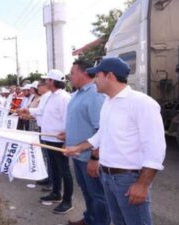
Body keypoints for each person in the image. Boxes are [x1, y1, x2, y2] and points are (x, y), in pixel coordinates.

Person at [63, 57, 166, 225]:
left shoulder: (142, 103)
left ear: (109, 76)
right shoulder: (108, 102)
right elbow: (101, 135)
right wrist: (79, 148)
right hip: (107, 177)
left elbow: (155, 149)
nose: (94, 80)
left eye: (97, 76)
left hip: (129, 179)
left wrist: (142, 184)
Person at [58, 60, 110, 225]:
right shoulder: (78, 94)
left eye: (72, 73)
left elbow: (100, 129)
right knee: (87, 192)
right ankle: (90, 219)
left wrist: (95, 158)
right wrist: (68, 134)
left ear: (85, 73)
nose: (69, 77)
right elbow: (82, 121)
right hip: (78, 155)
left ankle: (100, 222)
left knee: (98, 195)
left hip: (88, 157)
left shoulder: (95, 95)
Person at [20, 69, 73, 214]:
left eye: (47, 80)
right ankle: (56, 193)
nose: (44, 83)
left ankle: (67, 200)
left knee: (64, 170)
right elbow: (41, 111)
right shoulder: (49, 96)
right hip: (47, 138)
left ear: (54, 82)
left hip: (58, 139)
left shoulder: (64, 98)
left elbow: (69, 120)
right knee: (54, 168)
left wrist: (67, 139)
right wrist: (27, 111)